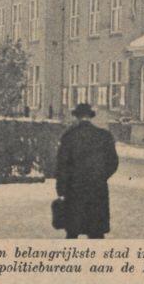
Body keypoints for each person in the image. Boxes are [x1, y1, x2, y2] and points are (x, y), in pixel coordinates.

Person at [55, 102, 119, 239]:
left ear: (76, 117)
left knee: (72, 231)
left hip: (74, 189)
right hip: (97, 189)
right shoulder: (104, 136)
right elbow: (113, 163)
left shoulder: (68, 136)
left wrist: (61, 190)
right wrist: (100, 176)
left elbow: (62, 166)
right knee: (96, 232)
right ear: (91, 117)